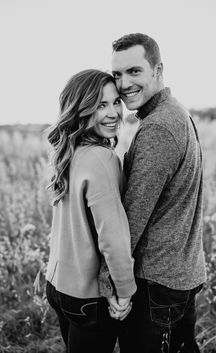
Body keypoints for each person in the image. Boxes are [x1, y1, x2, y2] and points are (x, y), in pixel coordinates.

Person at [110, 33, 207, 353]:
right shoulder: (173, 113)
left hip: (156, 285)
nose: (123, 84)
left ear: (157, 69)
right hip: (178, 275)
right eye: (117, 75)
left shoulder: (158, 128)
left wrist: (110, 281)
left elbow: (132, 217)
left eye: (134, 71)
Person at [45, 69, 136, 353]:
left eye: (115, 102)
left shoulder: (70, 153)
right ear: (81, 109)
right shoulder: (101, 159)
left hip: (58, 287)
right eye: (100, 105)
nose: (113, 113)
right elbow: (113, 238)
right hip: (89, 299)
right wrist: (124, 292)